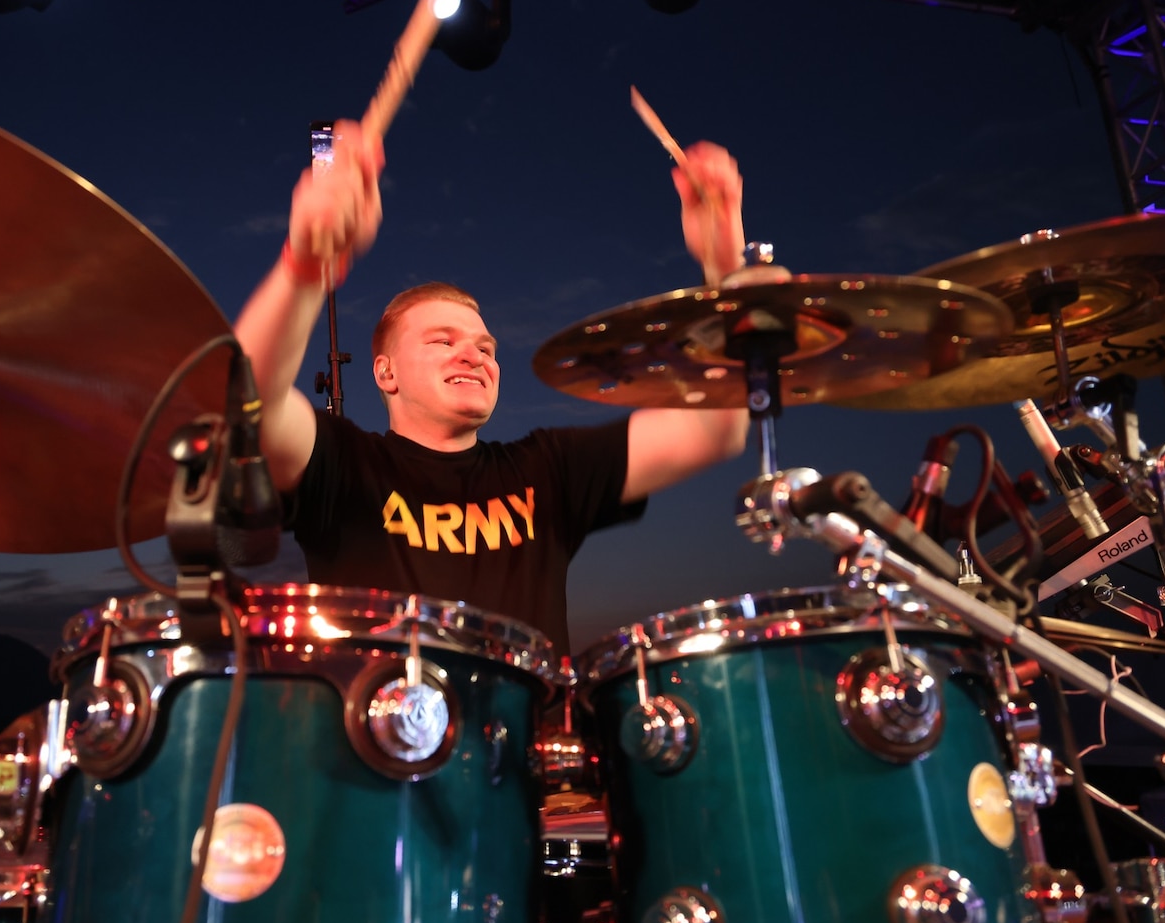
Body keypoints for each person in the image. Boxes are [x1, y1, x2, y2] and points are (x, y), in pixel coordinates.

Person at [234, 120, 768, 657]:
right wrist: (305, 264)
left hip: (527, 735)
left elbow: (714, 429)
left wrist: (723, 267)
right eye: (442, 341)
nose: (474, 354)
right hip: (375, 733)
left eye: (486, 348)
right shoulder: (341, 463)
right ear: (385, 374)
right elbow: (243, 401)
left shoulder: (548, 468)